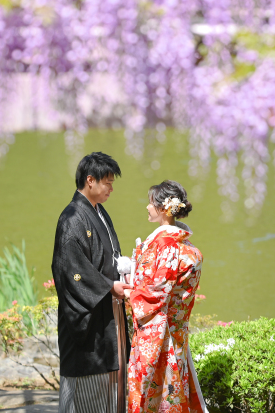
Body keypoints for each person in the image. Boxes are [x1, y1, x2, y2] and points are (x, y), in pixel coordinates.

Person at [52, 152, 132, 413]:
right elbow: (71, 270)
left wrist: (123, 275)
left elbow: (110, 255)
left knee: (112, 385)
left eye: (111, 183)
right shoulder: (72, 218)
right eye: (107, 182)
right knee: (85, 393)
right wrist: (110, 286)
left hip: (108, 310)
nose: (110, 188)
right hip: (91, 314)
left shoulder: (98, 212)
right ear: (90, 180)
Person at [126, 180, 208, 413]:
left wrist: (129, 290)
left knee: (153, 391)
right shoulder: (186, 246)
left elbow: (154, 294)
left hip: (158, 332)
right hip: (176, 328)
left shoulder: (165, 246)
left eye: (151, 203)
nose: (147, 207)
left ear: (163, 208)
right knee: (174, 388)